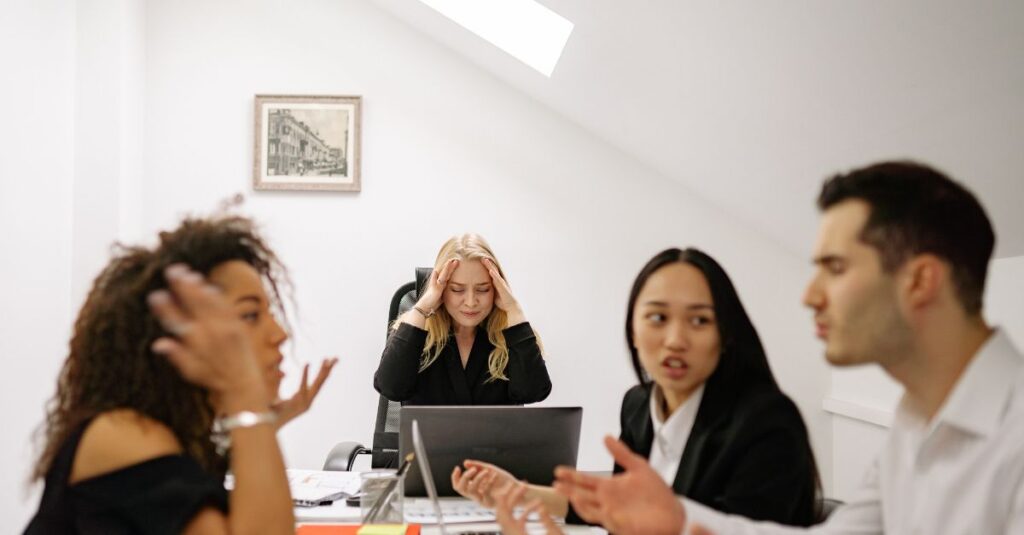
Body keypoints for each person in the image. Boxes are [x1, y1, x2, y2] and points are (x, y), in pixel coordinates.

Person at [552, 161, 1024, 535]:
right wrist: (674, 522)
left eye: (835, 268)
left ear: (920, 281)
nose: (809, 295)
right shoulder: (915, 421)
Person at [454, 248, 819, 529]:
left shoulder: (767, 424)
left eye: (699, 320)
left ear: (726, 335)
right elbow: (616, 510)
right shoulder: (640, 405)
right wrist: (519, 492)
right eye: (658, 318)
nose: (675, 340)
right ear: (633, 330)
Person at [25, 214, 337, 534]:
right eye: (250, 315)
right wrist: (247, 400)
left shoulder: (180, 436)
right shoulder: (121, 434)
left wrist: (263, 423)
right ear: (175, 337)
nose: (279, 334)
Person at [373, 233, 551, 405]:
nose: (471, 302)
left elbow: (533, 392)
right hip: (429, 437)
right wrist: (421, 310)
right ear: (440, 289)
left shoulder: (512, 333)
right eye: (457, 290)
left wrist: (514, 310)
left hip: (496, 437)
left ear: (497, 288)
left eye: (483, 289)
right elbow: (391, 388)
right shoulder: (414, 328)